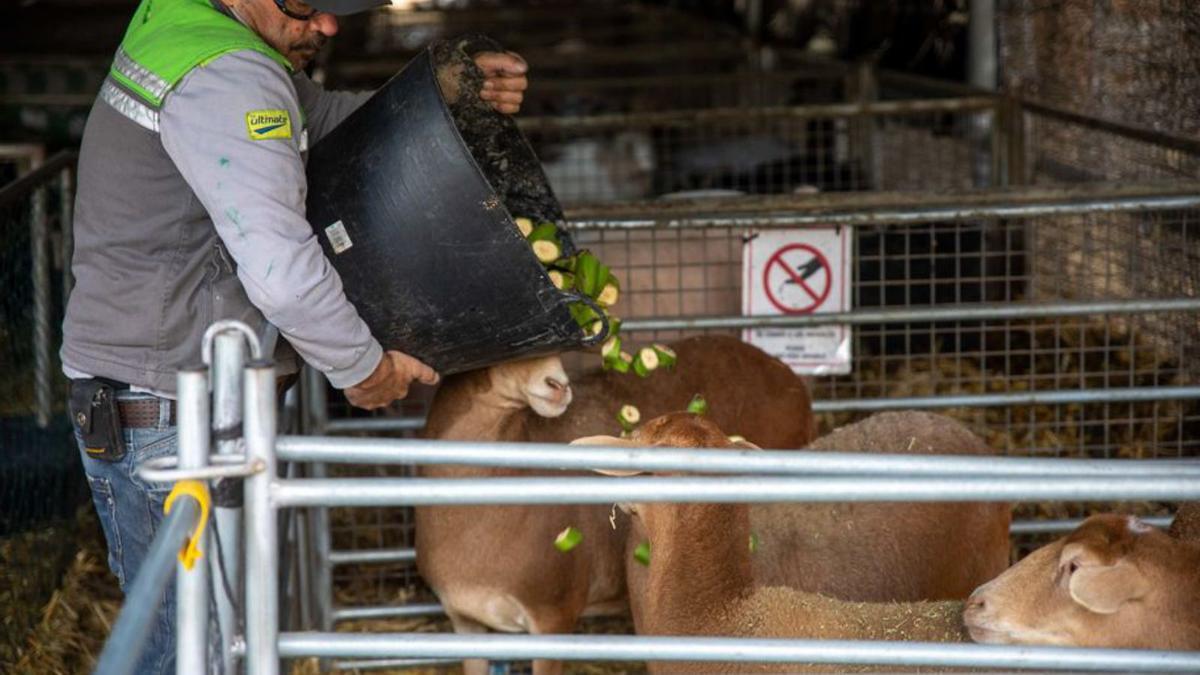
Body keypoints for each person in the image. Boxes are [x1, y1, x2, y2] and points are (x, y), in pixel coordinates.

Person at [60, 0, 528, 671]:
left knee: (210, 637)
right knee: (185, 649)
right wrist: (365, 369)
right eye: (307, 4)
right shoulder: (230, 75)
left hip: (157, 391)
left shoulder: (186, 25)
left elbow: (320, 122)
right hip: (167, 410)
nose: (330, 25)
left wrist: (448, 91)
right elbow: (281, 272)